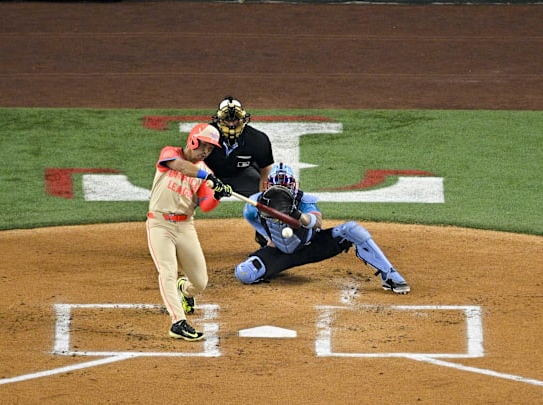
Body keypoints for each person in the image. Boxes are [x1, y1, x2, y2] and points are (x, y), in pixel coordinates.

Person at [233, 163, 411, 294]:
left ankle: (390, 276)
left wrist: (298, 216)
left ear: (296, 185)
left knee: (351, 230)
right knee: (244, 274)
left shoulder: (305, 201)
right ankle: (270, 269)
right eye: (279, 186)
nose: (284, 189)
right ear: (268, 186)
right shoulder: (255, 204)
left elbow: (317, 222)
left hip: (311, 247)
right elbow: (253, 220)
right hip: (279, 253)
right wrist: (267, 239)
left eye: (287, 185)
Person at [147, 123, 232, 341]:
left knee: (200, 282)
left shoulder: (205, 174)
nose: (206, 151)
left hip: (185, 227)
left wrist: (217, 195)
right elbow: (181, 167)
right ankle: (178, 322)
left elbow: (205, 206)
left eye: (210, 149)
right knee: (167, 270)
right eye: (204, 145)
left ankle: (184, 290)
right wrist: (208, 178)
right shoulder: (170, 153)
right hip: (159, 224)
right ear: (193, 140)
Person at [204, 96, 275, 246]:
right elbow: (193, 162)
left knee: (271, 195)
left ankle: (265, 235)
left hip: (241, 176)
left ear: (243, 119)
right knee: (184, 196)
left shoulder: (258, 140)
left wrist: (263, 202)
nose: (231, 124)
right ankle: (175, 230)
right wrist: (209, 182)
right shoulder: (204, 135)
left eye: (235, 119)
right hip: (209, 178)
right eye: (227, 120)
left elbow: (265, 172)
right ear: (218, 120)